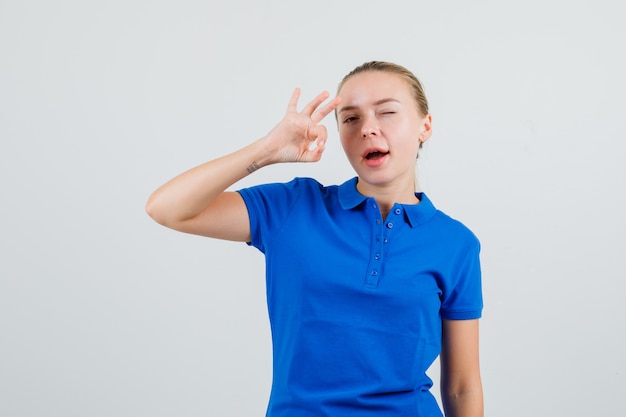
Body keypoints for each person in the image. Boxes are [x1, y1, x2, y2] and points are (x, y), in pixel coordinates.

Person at [146, 61, 484, 417]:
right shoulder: (292, 208)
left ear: (424, 126)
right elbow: (168, 209)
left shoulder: (456, 243)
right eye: (350, 119)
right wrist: (265, 151)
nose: (368, 128)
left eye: (386, 112)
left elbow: (463, 388)